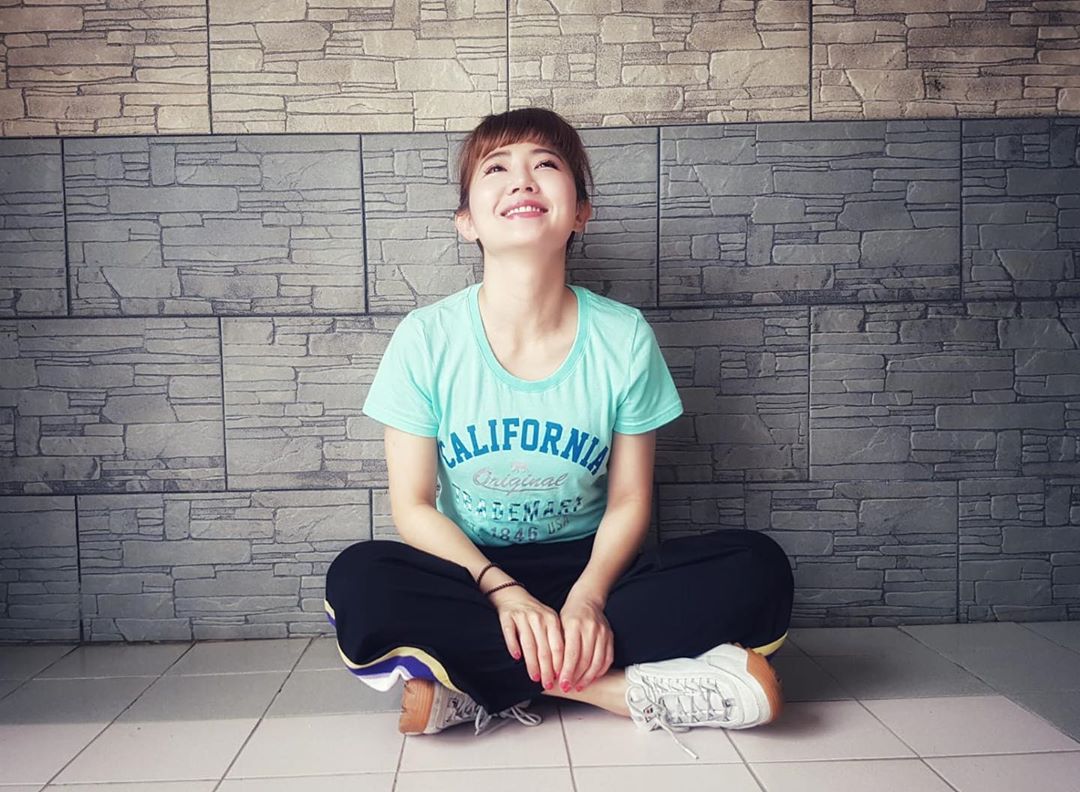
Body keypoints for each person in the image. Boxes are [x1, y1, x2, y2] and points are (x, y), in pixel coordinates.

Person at [324, 107, 794, 759]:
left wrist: (589, 600)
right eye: (496, 168)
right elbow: (412, 506)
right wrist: (503, 592)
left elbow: (629, 499)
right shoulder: (425, 339)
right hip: (473, 576)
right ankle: (620, 690)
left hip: (594, 572)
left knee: (758, 568)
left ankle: (474, 685)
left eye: (545, 164)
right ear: (466, 221)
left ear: (580, 213)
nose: (522, 179)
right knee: (360, 580)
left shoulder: (623, 336)